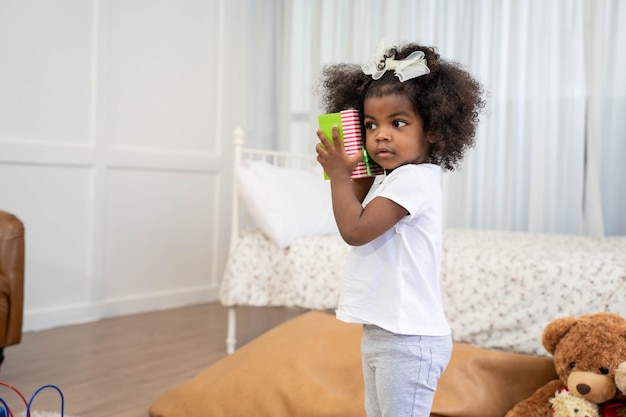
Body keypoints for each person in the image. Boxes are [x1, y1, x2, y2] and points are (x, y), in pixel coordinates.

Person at [315, 40, 485, 417]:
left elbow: (355, 229)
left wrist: (339, 174)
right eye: (370, 125)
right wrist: (352, 163)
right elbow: (355, 201)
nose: (381, 135)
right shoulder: (393, 178)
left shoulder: (415, 180)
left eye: (399, 122)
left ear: (435, 129)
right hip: (385, 332)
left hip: (409, 340)